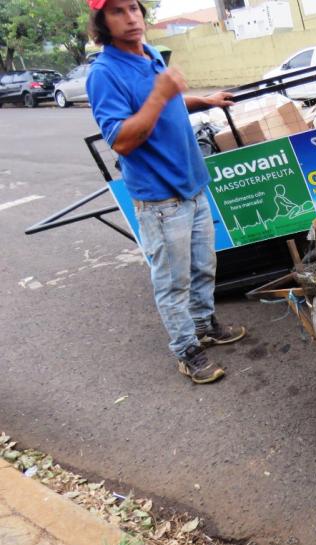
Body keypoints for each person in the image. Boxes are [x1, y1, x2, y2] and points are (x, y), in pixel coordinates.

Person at [86, 0, 245, 384]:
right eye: (118, 12)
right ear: (102, 22)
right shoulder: (104, 73)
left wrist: (202, 100)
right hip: (160, 198)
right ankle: (186, 350)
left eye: (134, 9)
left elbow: (168, 103)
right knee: (173, 281)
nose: (131, 18)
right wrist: (160, 93)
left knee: (204, 266)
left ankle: (204, 325)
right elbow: (121, 140)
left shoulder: (150, 53)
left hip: (192, 184)